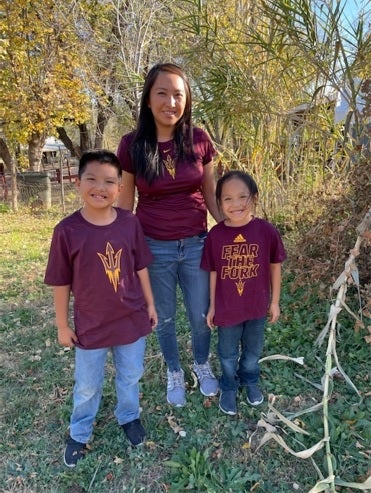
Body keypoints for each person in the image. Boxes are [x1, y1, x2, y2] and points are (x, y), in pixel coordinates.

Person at [117, 62, 223, 407]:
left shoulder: (200, 139)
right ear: (148, 99)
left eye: (178, 94)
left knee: (200, 315)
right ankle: (174, 370)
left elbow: (210, 194)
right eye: (162, 93)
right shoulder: (132, 145)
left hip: (196, 245)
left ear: (187, 99)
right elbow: (125, 204)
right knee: (163, 318)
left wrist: (228, 230)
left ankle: (202, 365)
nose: (171, 102)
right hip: (153, 248)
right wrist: (123, 249)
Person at [44, 150, 157, 467]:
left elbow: (140, 267)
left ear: (120, 188)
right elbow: (60, 282)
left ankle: (129, 417)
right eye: (91, 179)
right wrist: (62, 326)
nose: (100, 187)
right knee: (88, 385)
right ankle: (79, 432)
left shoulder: (129, 223)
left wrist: (150, 304)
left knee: (131, 375)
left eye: (109, 181)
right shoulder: (67, 231)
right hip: (91, 324)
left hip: (132, 319)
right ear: (77, 182)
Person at [200, 170, 286, 415]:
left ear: (254, 197)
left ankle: (249, 381)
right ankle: (228, 386)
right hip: (227, 310)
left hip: (256, 308)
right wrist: (213, 307)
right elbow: (213, 272)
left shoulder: (266, 231)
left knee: (252, 353)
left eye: (242, 197)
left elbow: (275, 266)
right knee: (227, 354)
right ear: (218, 203)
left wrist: (275, 302)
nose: (235, 204)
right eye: (227, 199)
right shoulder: (215, 235)